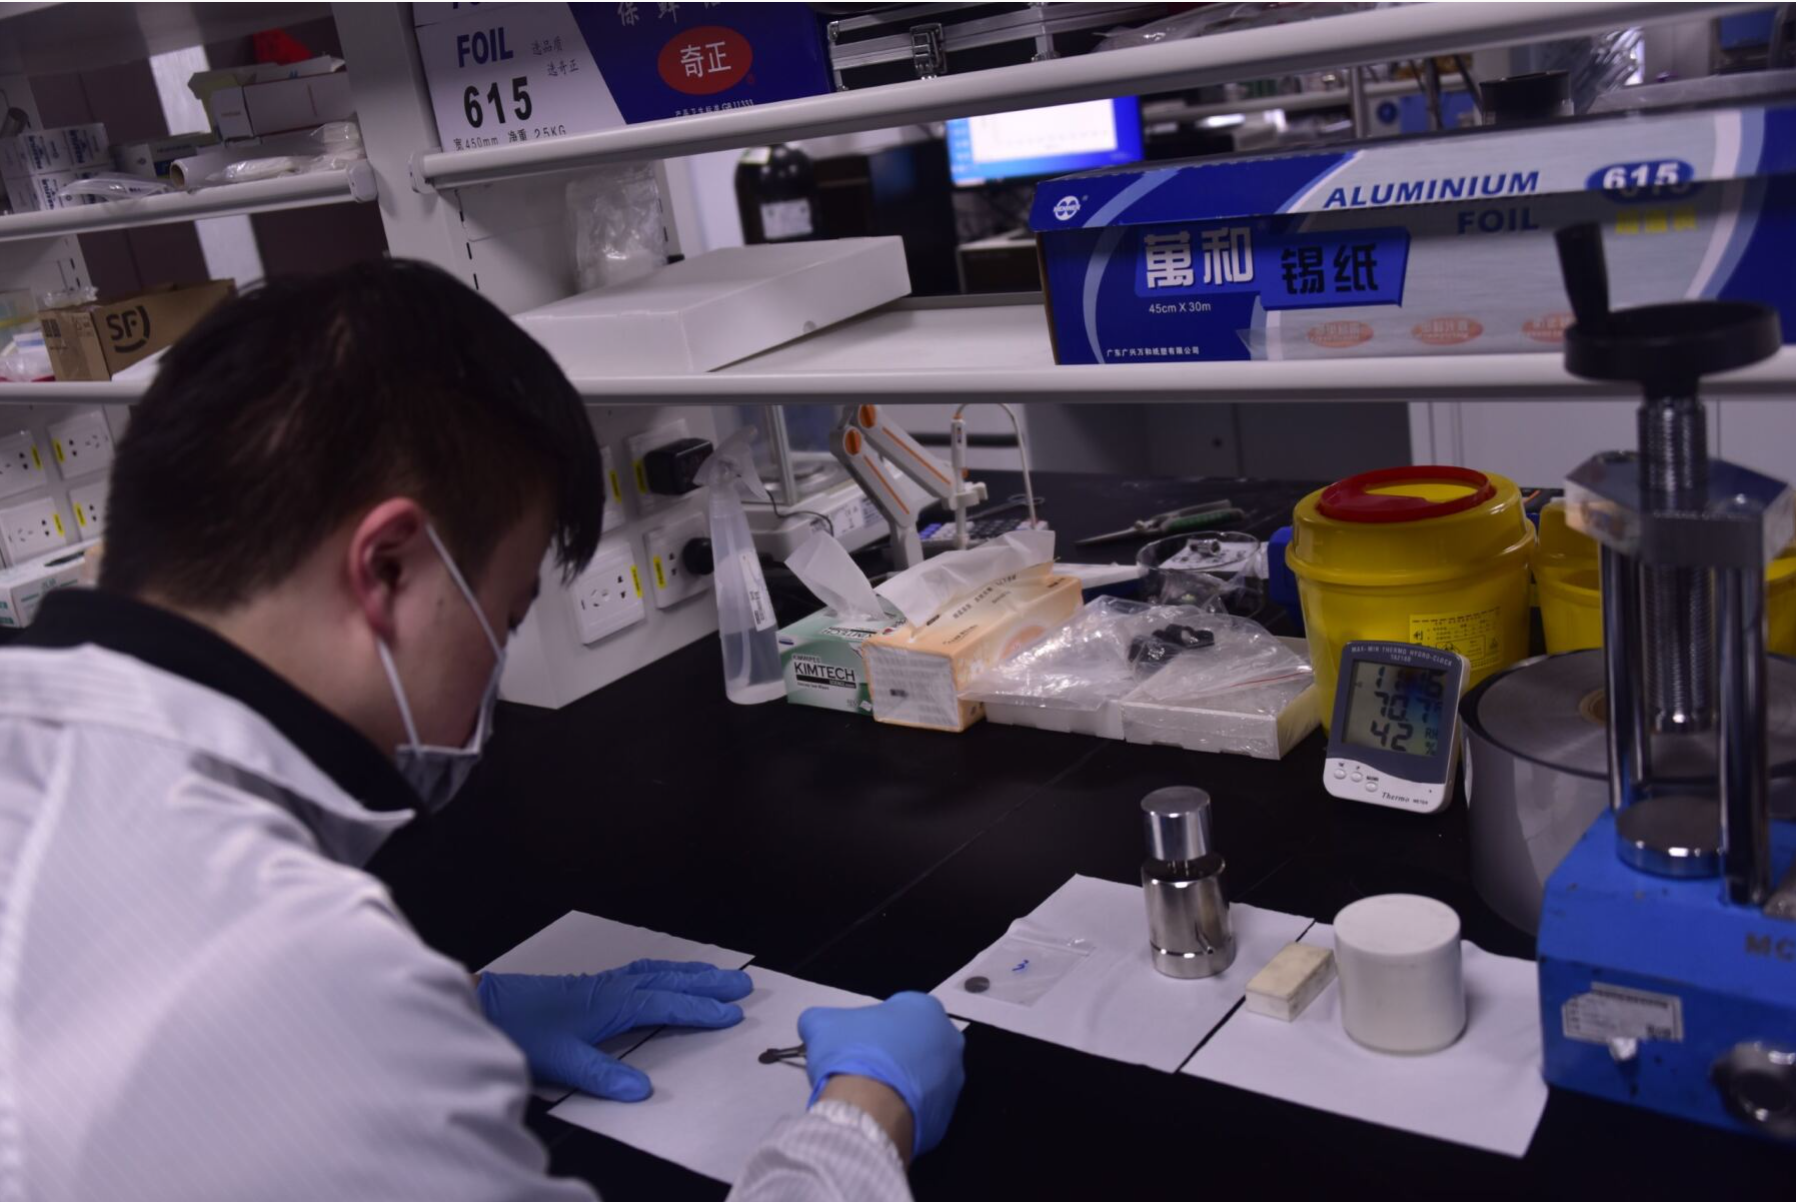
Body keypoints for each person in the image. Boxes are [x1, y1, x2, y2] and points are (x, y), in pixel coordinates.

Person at [0, 261, 964, 1200]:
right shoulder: (293, 980)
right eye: (503, 619)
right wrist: (860, 1120)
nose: (491, 687)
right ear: (386, 570)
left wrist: (469, 1005)